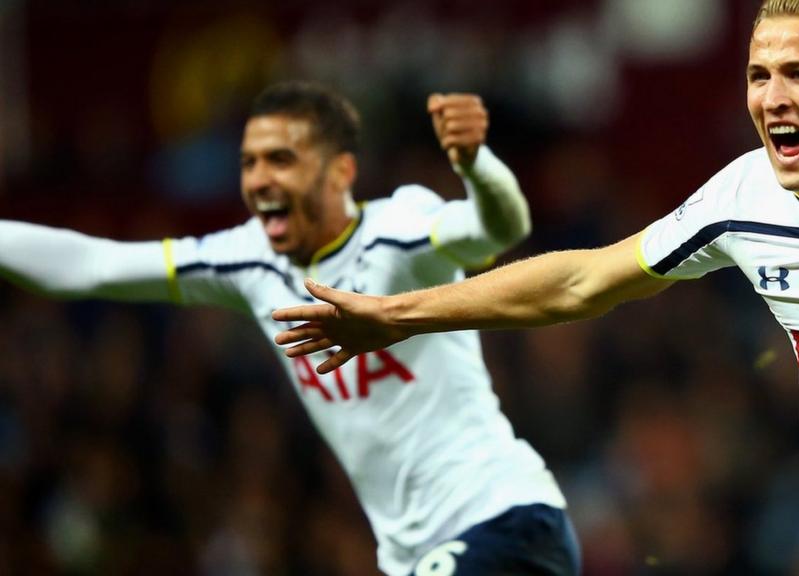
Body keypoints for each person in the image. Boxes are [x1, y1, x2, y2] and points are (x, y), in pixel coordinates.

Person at [273, 2, 799, 575]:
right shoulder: (745, 196)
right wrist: (401, 316)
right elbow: (582, 281)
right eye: (760, 75)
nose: (772, 98)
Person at [0, 82, 580, 576]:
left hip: (505, 520)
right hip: (415, 554)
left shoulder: (397, 230)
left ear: (340, 172)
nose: (259, 179)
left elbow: (498, 229)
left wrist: (478, 165)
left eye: (282, 159)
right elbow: (92, 266)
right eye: (250, 162)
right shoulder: (250, 261)